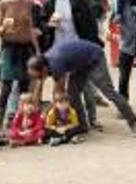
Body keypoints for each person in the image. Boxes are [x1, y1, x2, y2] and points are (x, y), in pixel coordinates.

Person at [26, 38, 136, 136]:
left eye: (39, 76)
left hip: (94, 58)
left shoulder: (56, 63)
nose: (39, 79)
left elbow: (59, 92)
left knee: (109, 92)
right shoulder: (45, 62)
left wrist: (52, 114)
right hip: (80, 64)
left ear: (43, 69)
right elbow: (40, 85)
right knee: (73, 94)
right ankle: (82, 126)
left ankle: (134, 122)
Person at [43, 0, 104, 129]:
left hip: (77, 48)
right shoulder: (50, 5)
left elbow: (89, 22)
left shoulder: (78, 3)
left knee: (86, 86)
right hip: (58, 50)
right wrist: (50, 24)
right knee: (59, 85)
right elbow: (44, 27)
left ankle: (91, 119)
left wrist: (91, 43)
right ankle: (61, 117)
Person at [0, 0, 39, 129]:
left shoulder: (30, 4)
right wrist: (4, 28)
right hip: (9, 48)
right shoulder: (3, 4)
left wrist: (38, 51)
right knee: (6, 86)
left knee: (25, 87)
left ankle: (22, 122)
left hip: (26, 48)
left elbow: (31, 30)